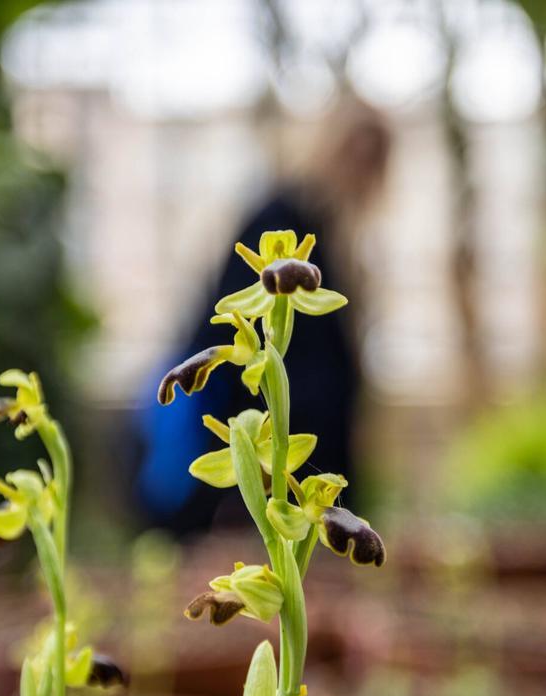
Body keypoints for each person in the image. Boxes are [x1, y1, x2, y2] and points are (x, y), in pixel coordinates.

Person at [132, 101, 392, 537]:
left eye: (373, 159)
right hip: (265, 432)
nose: (360, 168)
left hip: (314, 453)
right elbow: (223, 319)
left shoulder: (339, 234)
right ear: (330, 146)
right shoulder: (278, 215)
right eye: (354, 152)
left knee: (308, 568)